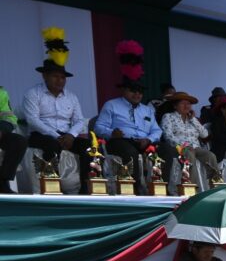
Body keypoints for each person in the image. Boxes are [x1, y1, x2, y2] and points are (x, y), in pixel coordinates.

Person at [22, 59, 91, 193]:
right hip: (41, 134)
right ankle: (52, 187)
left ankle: (85, 188)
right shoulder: (33, 93)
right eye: (55, 76)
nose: (60, 80)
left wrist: (71, 135)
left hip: (66, 135)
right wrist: (57, 136)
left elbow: (79, 120)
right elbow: (32, 120)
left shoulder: (71, 96)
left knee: (88, 147)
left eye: (63, 77)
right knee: (51, 145)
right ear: (45, 76)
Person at [95, 77, 162, 195]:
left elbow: (157, 130)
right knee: (130, 153)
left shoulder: (147, 110)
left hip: (144, 141)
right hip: (120, 140)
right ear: (124, 90)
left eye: (140, 91)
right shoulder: (111, 105)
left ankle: (163, 189)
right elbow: (98, 127)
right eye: (133, 90)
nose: (137, 94)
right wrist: (112, 133)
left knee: (167, 149)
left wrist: (148, 139)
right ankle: (134, 191)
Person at [158, 91, 219, 193]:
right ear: (175, 106)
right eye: (183, 103)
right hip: (179, 147)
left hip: (196, 147)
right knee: (189, 154)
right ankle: (192, 188)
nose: (187, 106)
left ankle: (215, 186)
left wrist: (193, 119)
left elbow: (204, 134)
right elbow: (168, 136)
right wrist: (184, 146)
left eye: (189, 104)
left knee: (211, 156)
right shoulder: (168, 117)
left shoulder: (192, 119)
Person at [0, 86, 27, 192]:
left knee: (18, 141)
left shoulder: (1, 93)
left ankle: (2, 181)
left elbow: (10, 118)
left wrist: (2, 130)